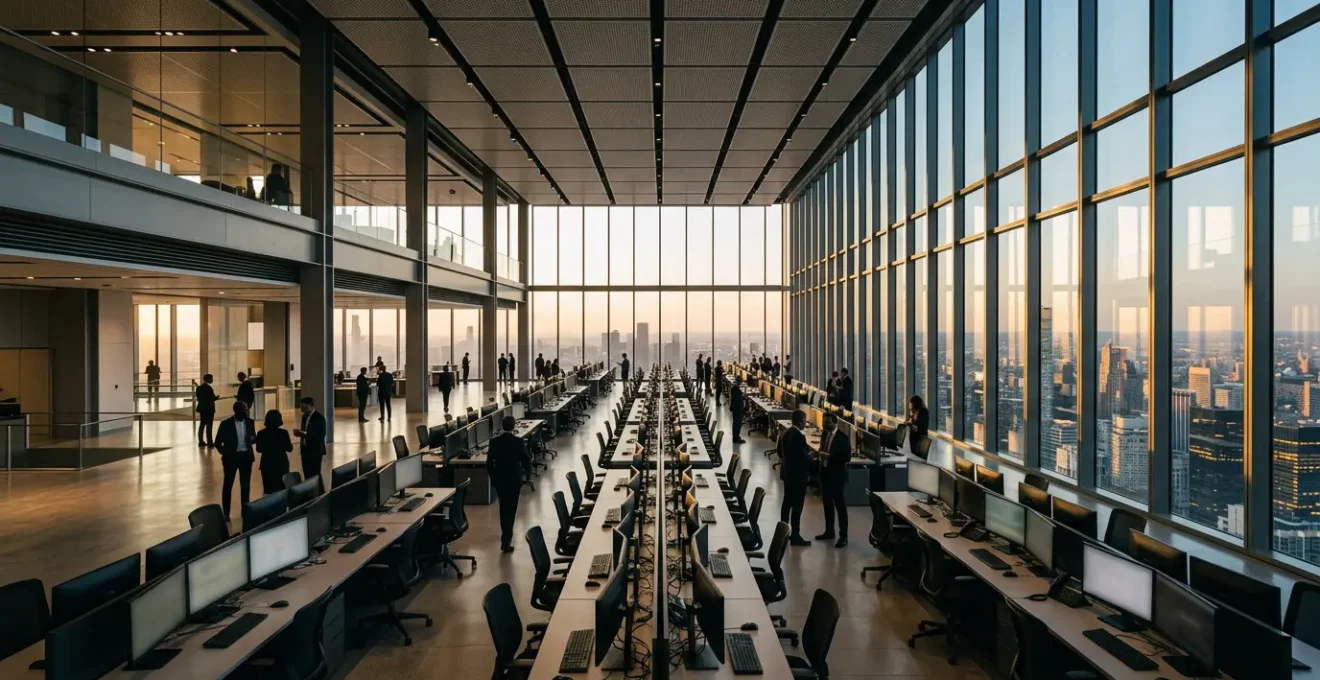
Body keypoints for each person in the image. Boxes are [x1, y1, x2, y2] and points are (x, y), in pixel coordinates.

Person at [487, 415, 529, 553]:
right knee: (511, 510)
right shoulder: (518, 441)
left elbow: (489, 463)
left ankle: (505, 537)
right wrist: (526, 475)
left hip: (500, 480)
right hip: (514, 480)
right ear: (514, 426)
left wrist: (493, 477)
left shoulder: (494, 442)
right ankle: (506, 539)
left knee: (503, 509)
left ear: (502, 426)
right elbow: (526, 460)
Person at [215, 402, 257, 519]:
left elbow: (253, 437)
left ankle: (246, 511)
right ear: (237, 411)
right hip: (231, 459)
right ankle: (226, 513)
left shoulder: (250, 422)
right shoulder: (225, 424)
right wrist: (227, 454)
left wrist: (253, 439)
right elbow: (218, 443)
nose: (247, 412)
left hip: (246, 458)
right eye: (244, 410)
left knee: (245, 486)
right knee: (228, 485)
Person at [815, 412, 851, 547]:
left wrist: (829, 456)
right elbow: (822, 448)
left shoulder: (843, 438)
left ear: (835, 423)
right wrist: (821, 452)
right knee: (827, 505)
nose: (825, 425)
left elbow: (847, 457)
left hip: (837, 476)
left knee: (840, 507)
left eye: (828, 423)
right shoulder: (824, 434)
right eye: (824, 422)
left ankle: (844, 536)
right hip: (825, 474)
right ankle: (829, 531)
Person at [778, 409, 813, 546]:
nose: (805, 424)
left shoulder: (785, 432)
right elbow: (804, 459)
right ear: (800, 422)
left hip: (787, 474)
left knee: (786, 503)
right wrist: (812, 457)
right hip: (798, 477)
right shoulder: (799, 436)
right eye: (804, 421)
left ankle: (783, 532)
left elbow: (780, 452)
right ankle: (796, 535)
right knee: (797, 506)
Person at [256, 409, 293, 495]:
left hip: (267, 464)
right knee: (282, 489)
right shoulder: (283, 433)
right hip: (281, 464)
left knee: (268, 490)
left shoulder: (261, 433)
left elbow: (258, 450)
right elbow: (289, 449)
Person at [293, 397, 327, 482]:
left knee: (315, 474)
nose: (303, 410)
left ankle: (319, 492)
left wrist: (304, 434)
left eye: (305, 408)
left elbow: (321, 435)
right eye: (301, 408)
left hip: (315, 450)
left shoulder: (319, 418)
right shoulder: (304, 417)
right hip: (305, 450)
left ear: (311, 406)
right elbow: (305, 431)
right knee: (306, 473)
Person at [196, 373, 218, 447]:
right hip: (209, 409)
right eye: (211, 378)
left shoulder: (199, 388)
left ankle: (201, 441)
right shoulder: (209, 388)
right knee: (209, 426)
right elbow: (212, 398)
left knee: (202, 425)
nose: (212, 380)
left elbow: (199, 397)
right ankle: (210, 442)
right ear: (208, 379)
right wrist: (216, 398)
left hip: (202, 409)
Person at [730, 375, 746, 444]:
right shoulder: (735, 389)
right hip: (737, 409)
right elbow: (737, 399)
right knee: (737, 424)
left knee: (736, 424)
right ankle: (736, 438)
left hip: (735, 409)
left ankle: (736, 437)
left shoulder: (735, 388)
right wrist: (743, 396)